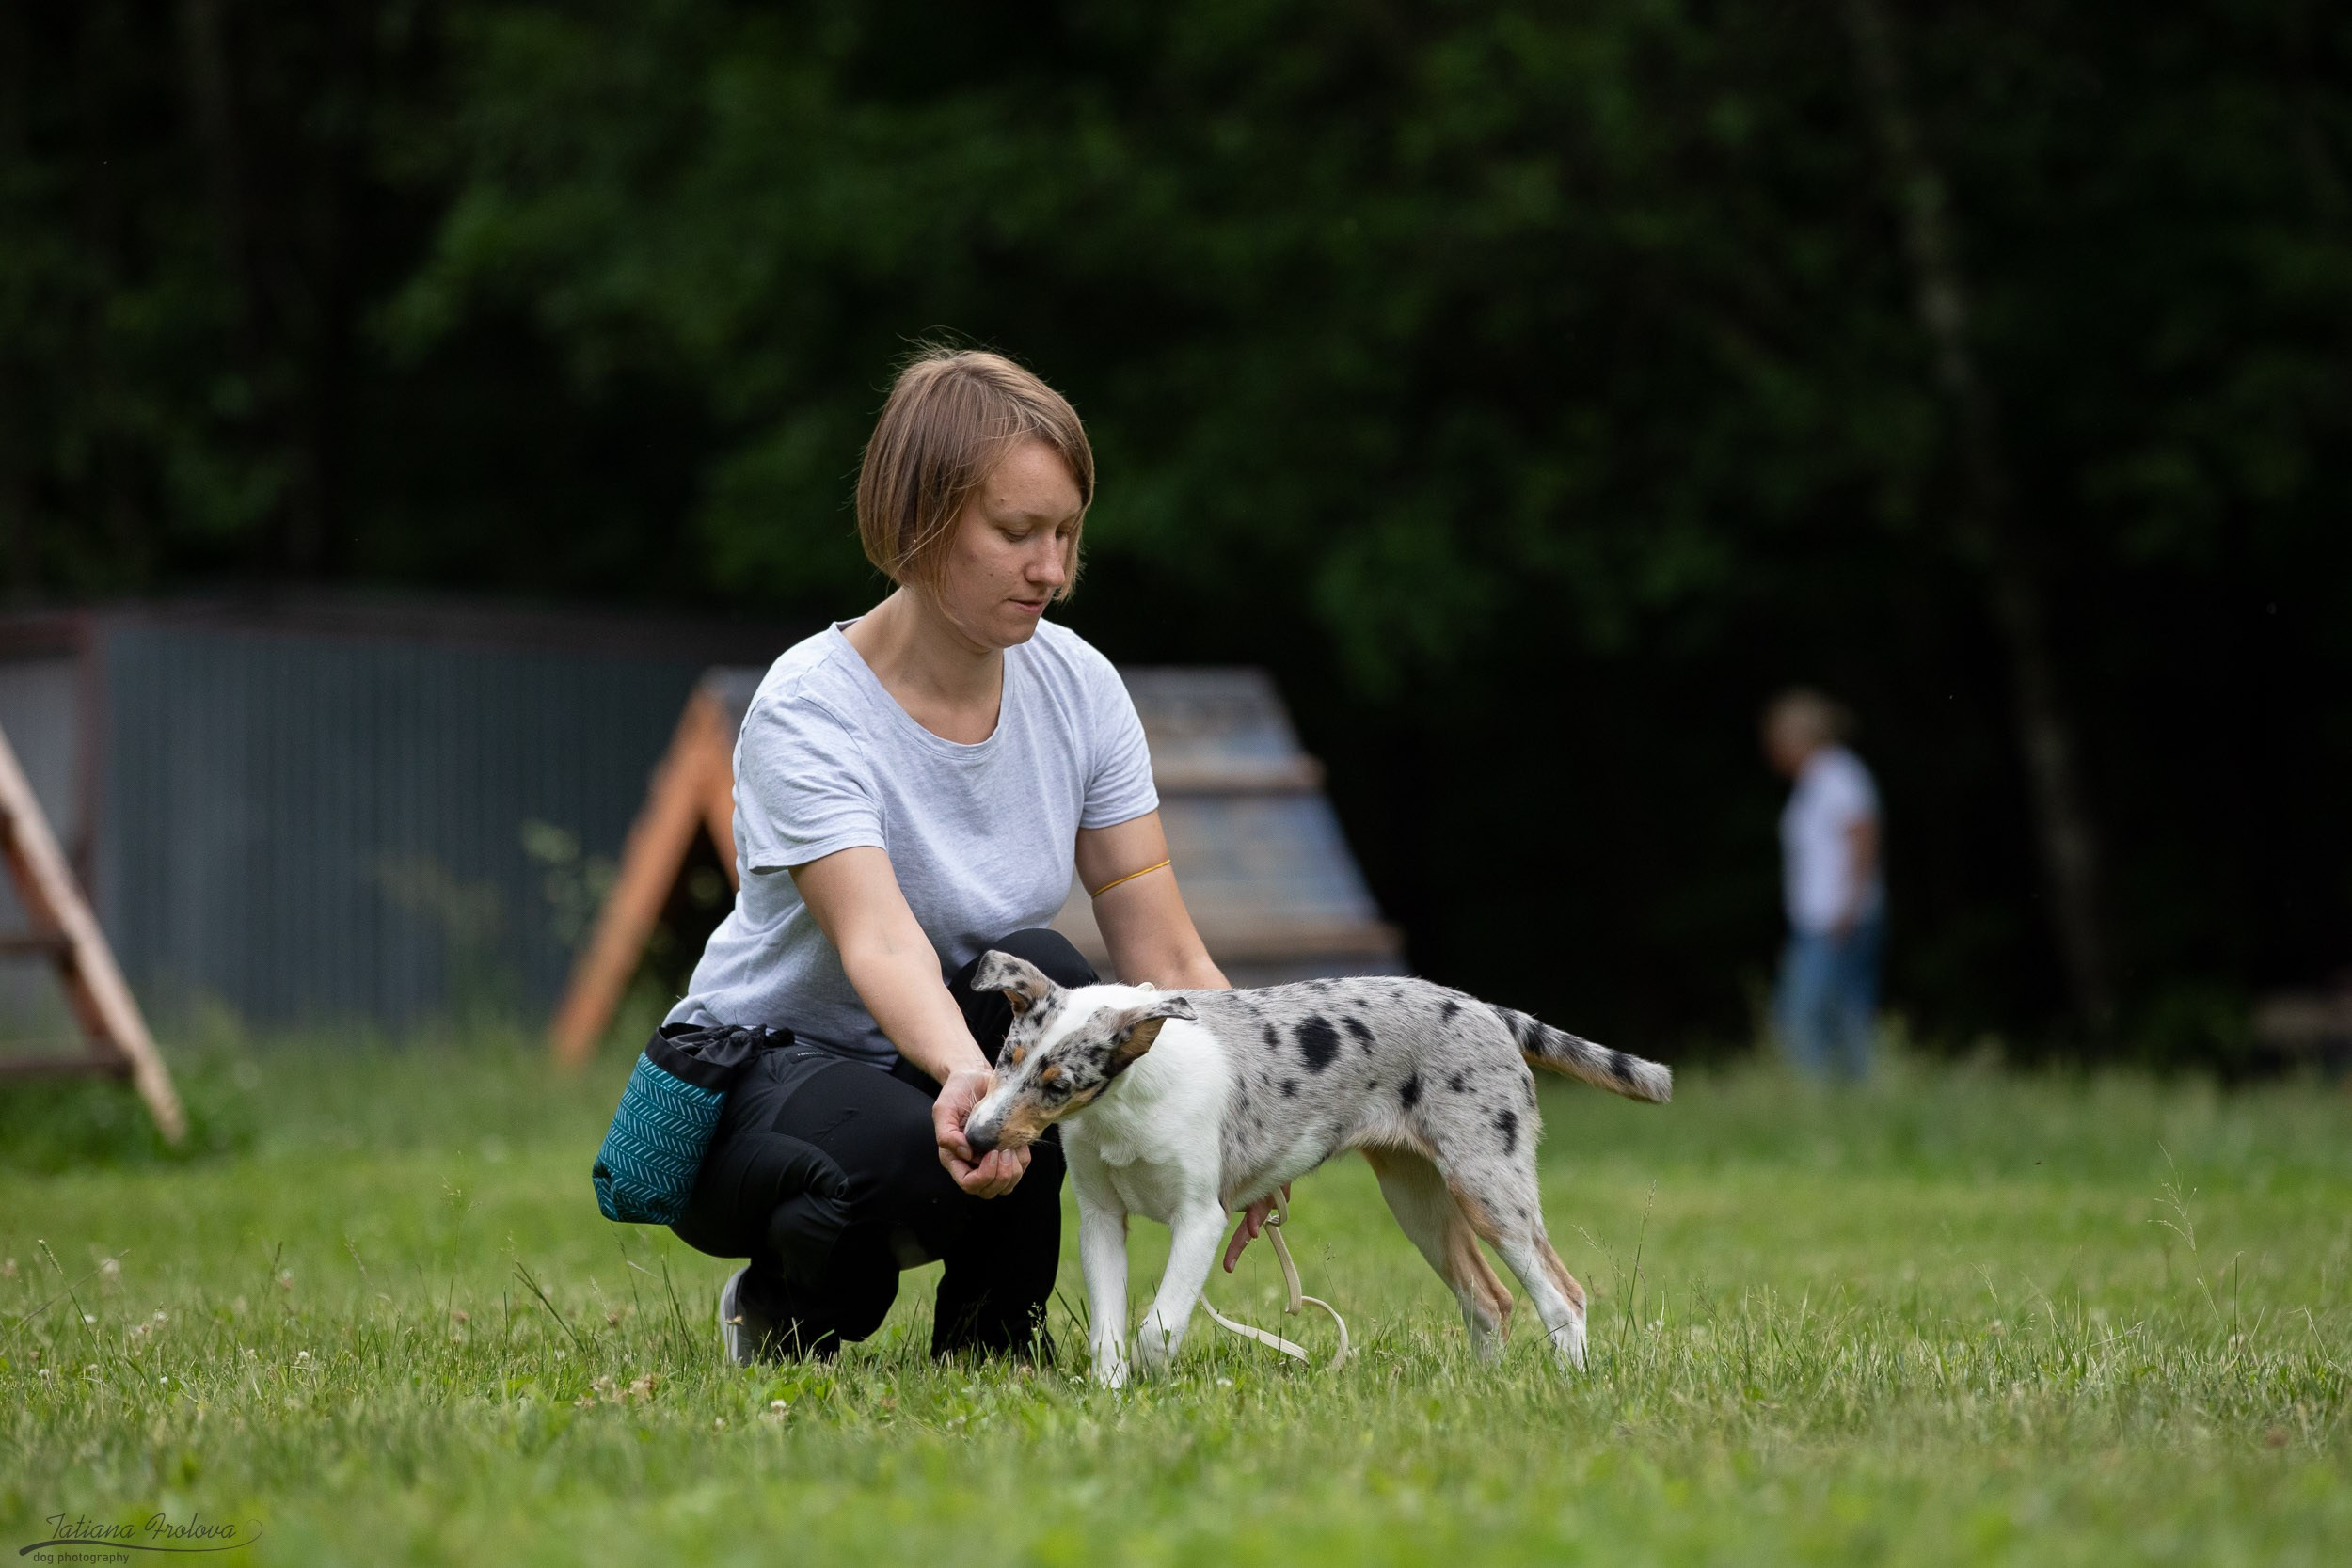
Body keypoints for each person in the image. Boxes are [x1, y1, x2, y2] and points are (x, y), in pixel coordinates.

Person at [662, 347, 1245, 1367]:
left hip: (940, 1062)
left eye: (1065, 533)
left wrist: (1254, 1089)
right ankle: (782, 1307)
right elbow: (879, 939)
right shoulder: (807, 709)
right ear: (920, 523)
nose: (1051, 569)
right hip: (753, 1074)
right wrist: (974, 1077)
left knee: (1057, 977)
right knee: (892, 1167)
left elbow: (1162, 943)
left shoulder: (1080, 685)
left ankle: (991, 1343)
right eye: (1017, 533)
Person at [1760, 689, 1885, 1080]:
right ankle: (1854, 1097)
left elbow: (1863, 834)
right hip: (1825, 920)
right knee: (1845, 1014)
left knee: (1800, 1013)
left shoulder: (1837, 774)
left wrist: (1849, 905)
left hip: (1834, 921)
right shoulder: (1819, 779)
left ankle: (1818, 1097)